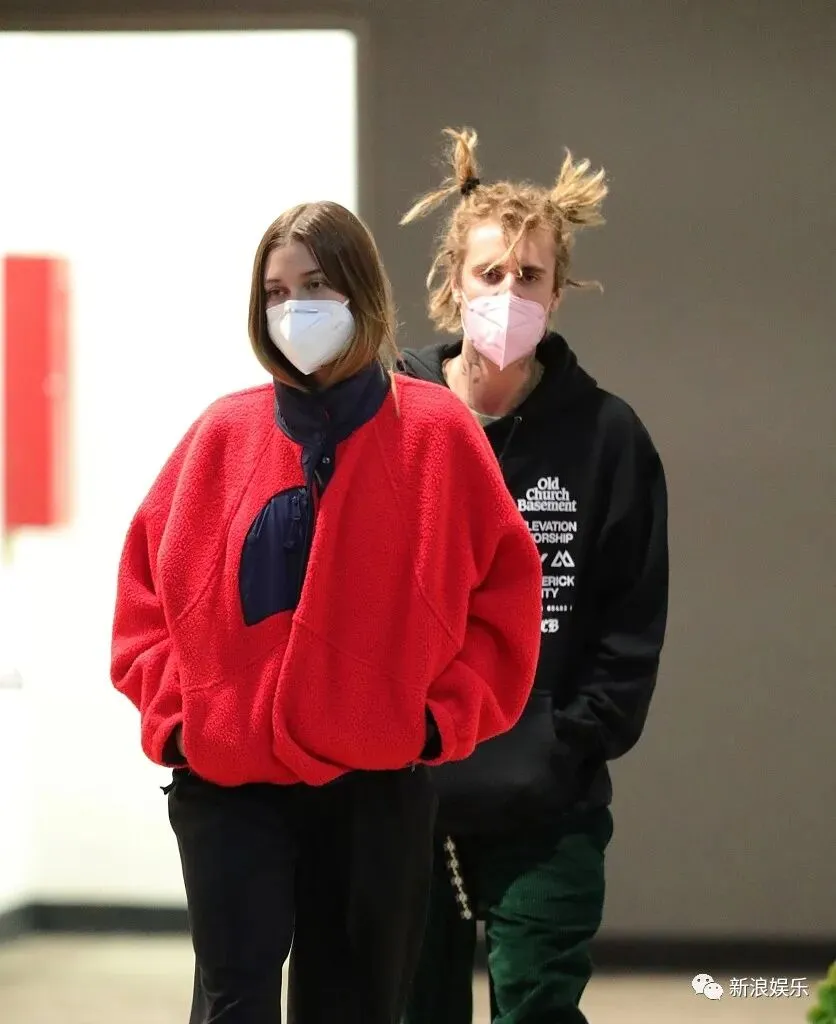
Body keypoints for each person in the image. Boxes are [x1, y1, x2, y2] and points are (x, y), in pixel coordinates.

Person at [109, 199, 543, 1024]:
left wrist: (435, 722)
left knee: (354, 1004)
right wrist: (180, 721)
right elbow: (143, 597)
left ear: (360, 291)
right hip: (229, 784)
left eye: (315, 285)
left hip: (372, 787)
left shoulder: (437, 433)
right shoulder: (222, 433)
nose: (294, 309)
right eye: (276, 292)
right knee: (232, 1002)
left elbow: (506, 603)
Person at [397, 128, 669, 1024]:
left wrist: (564, 741)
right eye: (490, 274)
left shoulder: (607, 437)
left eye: (530, 276)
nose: (508, 294)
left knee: (539, 1009)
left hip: (548, 801)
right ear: (452, 282)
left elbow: (631, 620)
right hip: (402, 793)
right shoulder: (392, 422)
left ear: (558, 291)